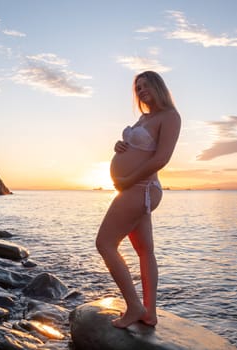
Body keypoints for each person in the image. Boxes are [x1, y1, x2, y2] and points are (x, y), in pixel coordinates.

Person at [96, 71, 181, 328]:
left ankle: (134, 306)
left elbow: (161, 158)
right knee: (145, 251)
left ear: (158, 86)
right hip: (135, 188)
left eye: (146, 86)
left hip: (140, 188)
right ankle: (149, 313)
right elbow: (140, 149)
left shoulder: (170, 116)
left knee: (105, 244)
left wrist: (127, 180)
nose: (141, 91)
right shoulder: (145, 117)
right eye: (138, 87)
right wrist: (119, 147)